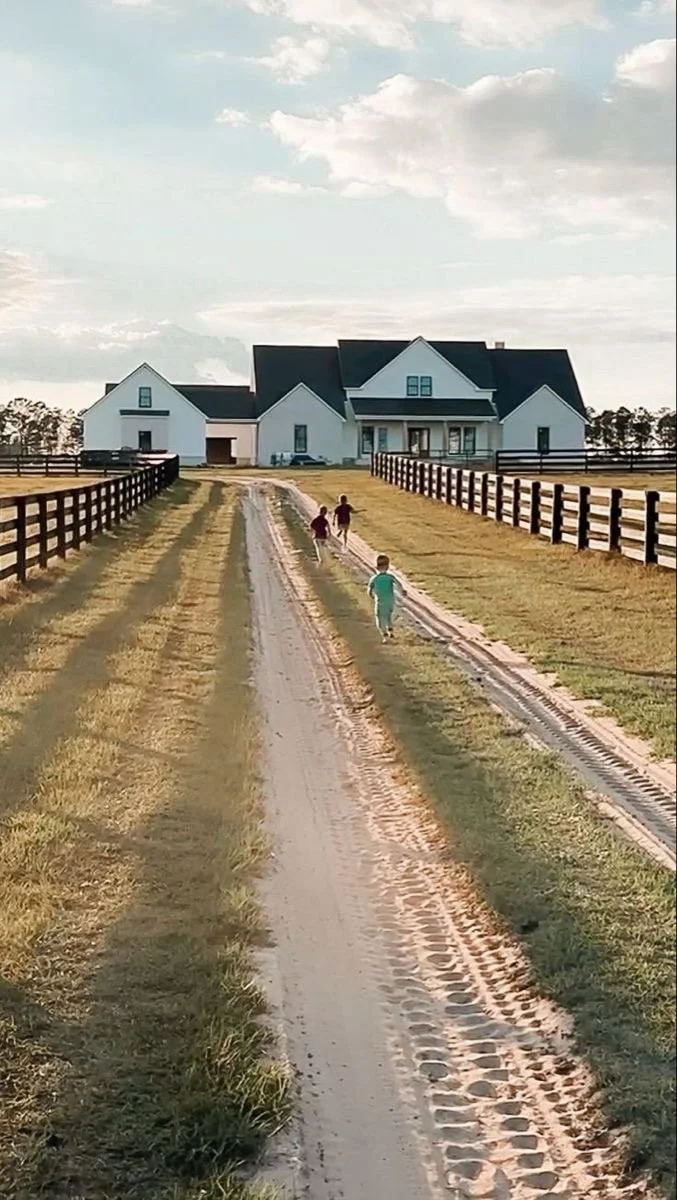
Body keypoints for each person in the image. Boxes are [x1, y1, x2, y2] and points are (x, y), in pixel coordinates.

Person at [367, 554, 400, 642]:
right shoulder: (390, 577)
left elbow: (369, 590)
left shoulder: (374, 579)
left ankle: (384, 634)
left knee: (379, 617)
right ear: (388, 566)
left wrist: (371, 595)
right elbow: (398, 584)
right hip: (390, 601)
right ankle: (390, 630)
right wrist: (403, 591)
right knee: (388, 615)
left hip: (380, 601)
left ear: (376, 567)